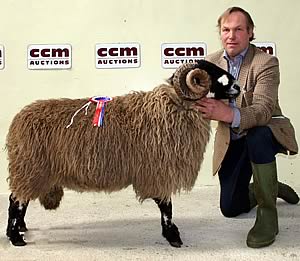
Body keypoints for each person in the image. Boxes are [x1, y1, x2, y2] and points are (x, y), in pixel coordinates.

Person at [195, 6, 299, 248]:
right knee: (230, 208)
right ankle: (271, 188)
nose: (231, 35)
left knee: (258, 137)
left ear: (250, 33)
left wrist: (226, 113)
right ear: (220, 33)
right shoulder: (209, 63)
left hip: (267, 129)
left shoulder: (266, 62)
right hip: (231, 139)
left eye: (238, 29)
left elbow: (263, 111)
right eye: (226, 30)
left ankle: (268, 215)